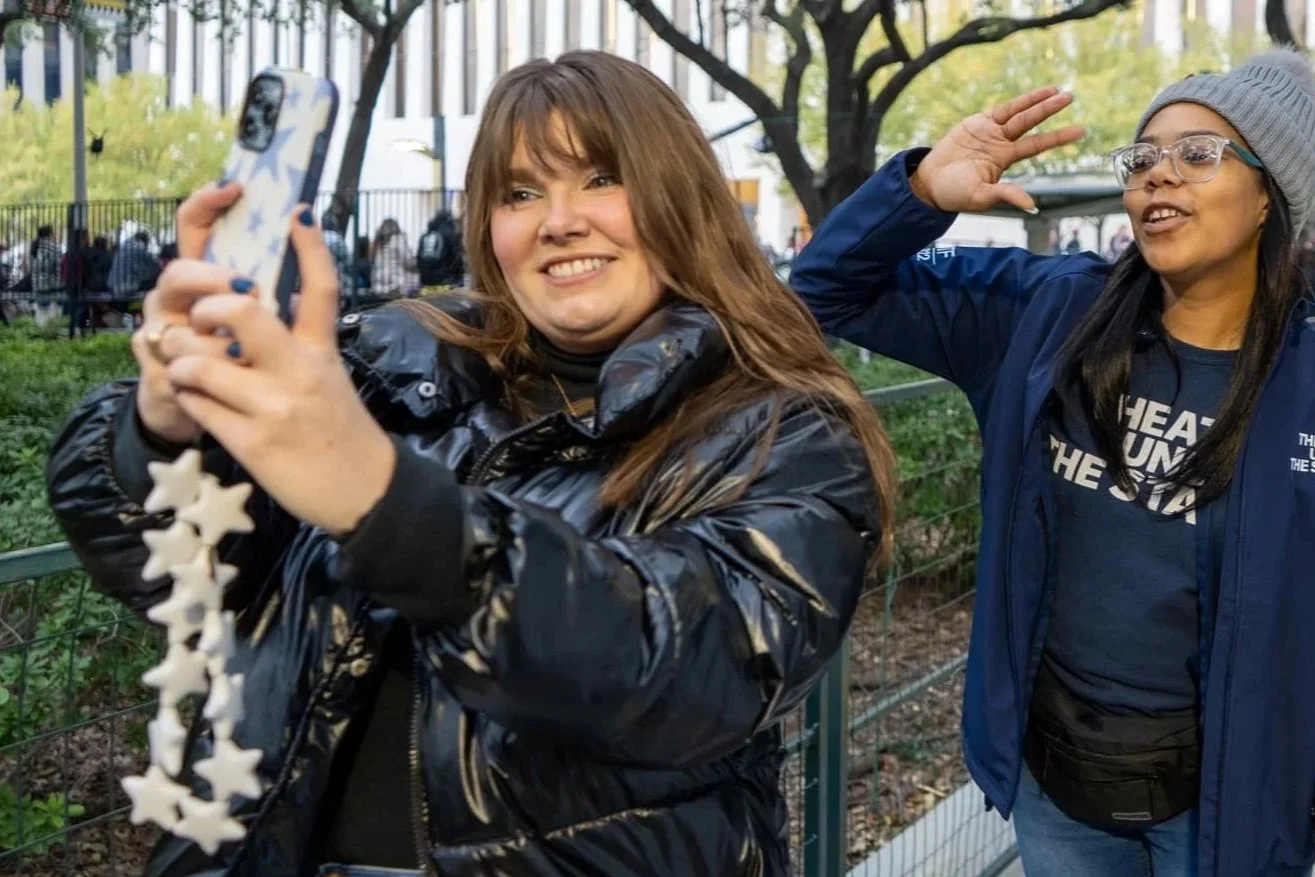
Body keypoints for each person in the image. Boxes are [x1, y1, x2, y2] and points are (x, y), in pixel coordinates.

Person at [47, 50, 893, 877]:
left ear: (684, 200)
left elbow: (681, 668)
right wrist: (165, 423)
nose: (559, 220)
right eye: (520, 193)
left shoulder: (785, 432)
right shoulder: (387, 365)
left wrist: (385, 501)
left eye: (601, 178)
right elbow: (176, 570)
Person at [791, 48, 1315, 877]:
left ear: (1267, 198)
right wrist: (923, 190)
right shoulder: (1044, 312)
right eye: (1142, 159)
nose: (1157, 177)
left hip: (1225, 806)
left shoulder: (1302, 379)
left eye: (1197, 154)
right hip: (1056, 789)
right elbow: (823, 288)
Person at [369, 217, 419, 296]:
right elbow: (408, 261)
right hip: (395, 286)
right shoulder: (397, 239)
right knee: (415, 278)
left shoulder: (376, 244)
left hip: (378, 287)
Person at [415, 207, 465, 288]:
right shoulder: (449, 234)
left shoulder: (426, 235)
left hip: (426, 283)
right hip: (446, 282)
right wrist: (459, 275)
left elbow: (419, 258)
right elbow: (456, 259)